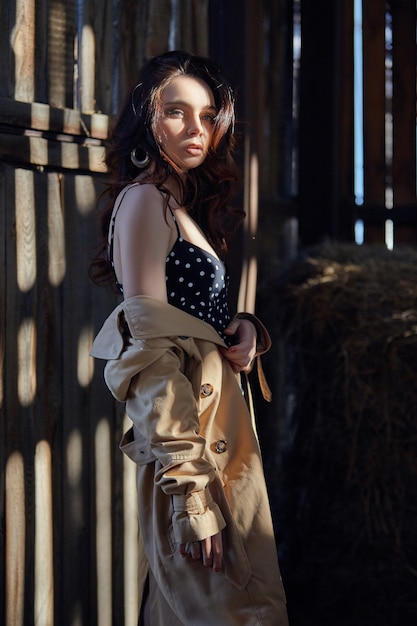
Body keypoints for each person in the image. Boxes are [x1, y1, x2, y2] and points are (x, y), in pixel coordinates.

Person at [90, 50, 288, 625]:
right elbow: (147, 355)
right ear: (145, 120)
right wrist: (193, 497)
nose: (195, 129)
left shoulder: (177, 203)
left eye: (207, 116)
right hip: (191, 449)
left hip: (217, 431)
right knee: (227, 610)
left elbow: (190, 322)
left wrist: (244, 330)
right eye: (176, 112)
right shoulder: (145, 201)